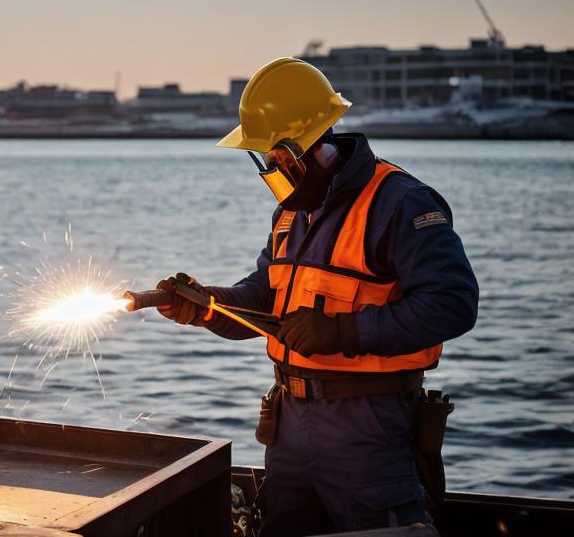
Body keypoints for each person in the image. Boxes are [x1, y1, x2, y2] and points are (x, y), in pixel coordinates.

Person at [156, 57, 478, 535]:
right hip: (290, 424)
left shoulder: (399, 202)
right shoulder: (293, 215)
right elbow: (264, 297)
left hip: (367, 427)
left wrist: (343, 332)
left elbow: (453, 303)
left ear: (299, 148)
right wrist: (206, 306)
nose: (268, 168)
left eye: (272, 156)